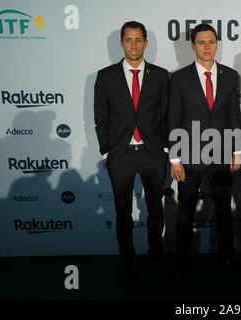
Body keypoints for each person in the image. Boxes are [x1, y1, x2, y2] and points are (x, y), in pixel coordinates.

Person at [94, 21, 169, 284]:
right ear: (122, 43)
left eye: (139, 40)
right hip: (121, 156)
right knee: (122, 212)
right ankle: (127, 263)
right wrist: (107, 153)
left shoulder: (161, 75)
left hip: (153, 155)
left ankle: (156, 260)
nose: (134, 45)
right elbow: (100, 119)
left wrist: (166, 148)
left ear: (146, 42)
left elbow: (167, 116)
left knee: (155, 212)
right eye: (128, 40)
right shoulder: (105, 76)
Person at [168, 23, 241, 282]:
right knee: (185, 212)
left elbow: (234, 115)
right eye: (201, 42)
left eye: (211, 41)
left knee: (223, 210)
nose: (207, 47)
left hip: (222, 156)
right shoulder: (178, 78)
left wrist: (237, 150)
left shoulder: (231, 76)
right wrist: (175, 158)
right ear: (192, 46)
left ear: (217, 44)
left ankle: (227, 257)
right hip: (189, 157)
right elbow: (173, 119)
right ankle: (181, 263)